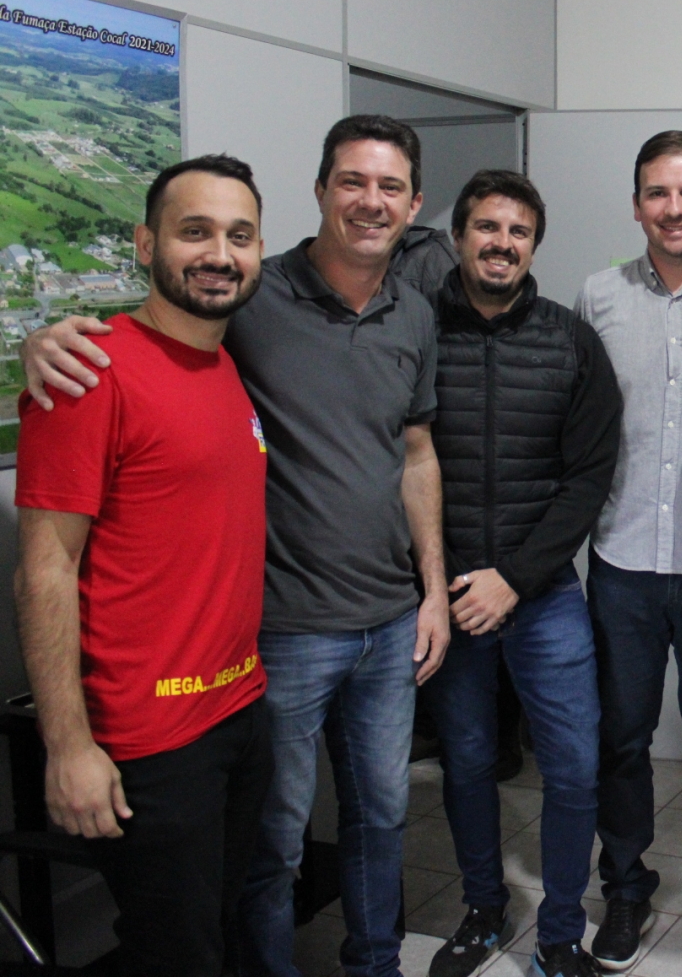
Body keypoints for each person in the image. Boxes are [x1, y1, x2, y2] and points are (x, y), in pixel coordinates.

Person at [23, 115, 452, 977]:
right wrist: (40, 337)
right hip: (260, 654)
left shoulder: (397, 316)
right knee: (261, 865)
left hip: (300, 664)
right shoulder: (234, 309)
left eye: (390, 186)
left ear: (414, 205)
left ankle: (375, 964)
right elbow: (47, 564)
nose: (220, 255)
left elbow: (416, 451)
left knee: (367, 824)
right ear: (322, 191)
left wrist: (433, 587)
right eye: (352, 181)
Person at [14, 155, 271, 976]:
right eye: (195, 231)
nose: (219, 254)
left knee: (210, 936)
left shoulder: (225, 361)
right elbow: (44, 570)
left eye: (239, 235)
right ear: (145, 243)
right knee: (177, 956)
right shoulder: (86, 373)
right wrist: (67, 747)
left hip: (238, 711)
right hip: (150, 744)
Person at [421, 169, 622, 977]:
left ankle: (561, 933)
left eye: (519, 232)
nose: (502, 244)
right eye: (487, 227)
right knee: (468, 762)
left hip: (542, 597)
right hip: (446, 597)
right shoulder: (415, 330)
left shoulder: (571, 341)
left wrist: (515, 577)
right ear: (459, 236)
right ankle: (483, 909)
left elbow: (590, 475)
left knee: (573, 767)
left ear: (534, 245)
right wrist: (446, 582)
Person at [575, 131, 682, 971]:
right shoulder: (598, 296)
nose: (674, 209)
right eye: (657, 193)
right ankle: (626, 889)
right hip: (623, 561)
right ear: (637, 203)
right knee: (621, 738)